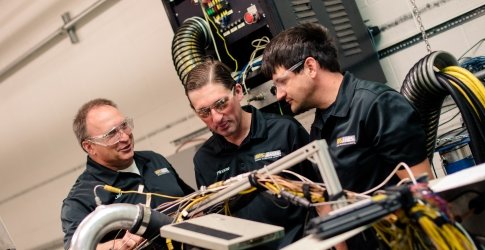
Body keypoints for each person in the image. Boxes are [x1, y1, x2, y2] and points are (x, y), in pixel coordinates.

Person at [261, 23, 433, 249]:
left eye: (282, 82)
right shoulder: (319, 128)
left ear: (310, 67)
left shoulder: (377, 105)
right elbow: (329, 207)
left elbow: (424, 193)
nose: (280, 95)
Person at [184, 59, 320, 249]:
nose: (216, 117)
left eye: (221, 103)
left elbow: (322, 196)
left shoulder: (284, 131)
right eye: (204, 112)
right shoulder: (204, 160)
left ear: (238, 92)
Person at [61, 98, 195, 250]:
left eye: (124, 126)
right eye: (112, 134)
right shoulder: (81, 198)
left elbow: (190, 200)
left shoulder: (153, 159)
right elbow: (76, 247)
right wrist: (116, 245)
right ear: (90, 147)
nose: (124, 137)